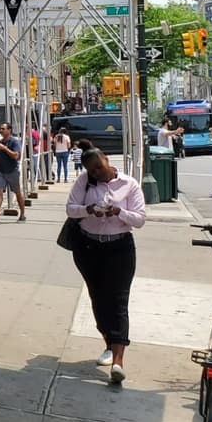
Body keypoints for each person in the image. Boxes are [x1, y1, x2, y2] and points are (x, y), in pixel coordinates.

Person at [65, 146, 146, 384]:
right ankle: (109, 343)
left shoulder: (129, 184)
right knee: (98, 298)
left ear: (107, 160)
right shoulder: (84, 182)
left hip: (119, 248)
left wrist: (119, 212)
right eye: (92, 170)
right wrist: (88, 210)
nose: (97, 173)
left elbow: (140, 219)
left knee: (118, 300)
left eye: (99, 167)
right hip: (89, 248)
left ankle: (118, 361)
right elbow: (71, 209)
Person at [0, 122, 25, 222]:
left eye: (3, 128)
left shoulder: (14, 142)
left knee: (17, 193)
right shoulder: (0, 142)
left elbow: (16, 156)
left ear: (9, 130)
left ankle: (22, 213)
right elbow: (0, 158)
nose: (0, 130)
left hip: (12, 171)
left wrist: (5, 148)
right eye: (0, 129)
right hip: (1, 171)